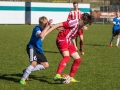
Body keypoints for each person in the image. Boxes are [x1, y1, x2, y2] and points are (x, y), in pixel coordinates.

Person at [44, 13, 94, 82]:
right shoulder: (74, 22)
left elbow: (72, 35)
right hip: (61, 39)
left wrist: (75, 46)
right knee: (67, 57)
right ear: (81, 19)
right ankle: (57, 75)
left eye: (86, 24)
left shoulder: (79, 25)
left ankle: (70, 77)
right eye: (84, 23)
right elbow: (58, 25)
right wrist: (45, 34)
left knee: (78, 59)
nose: (84, 25)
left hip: (67, 41)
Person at [19, 16, 53, 85]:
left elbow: (45, 33)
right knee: (34, 64)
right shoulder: (36, 29)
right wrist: (48, 26)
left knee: (46, 65)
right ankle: (22, 80)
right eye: (43, 26)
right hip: (32, 47)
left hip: (38, 49)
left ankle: (26, 70)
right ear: (40, 24)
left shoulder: (44, 27)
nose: (44, 27)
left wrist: (56, 27)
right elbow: (41, 35)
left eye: (45, 25)